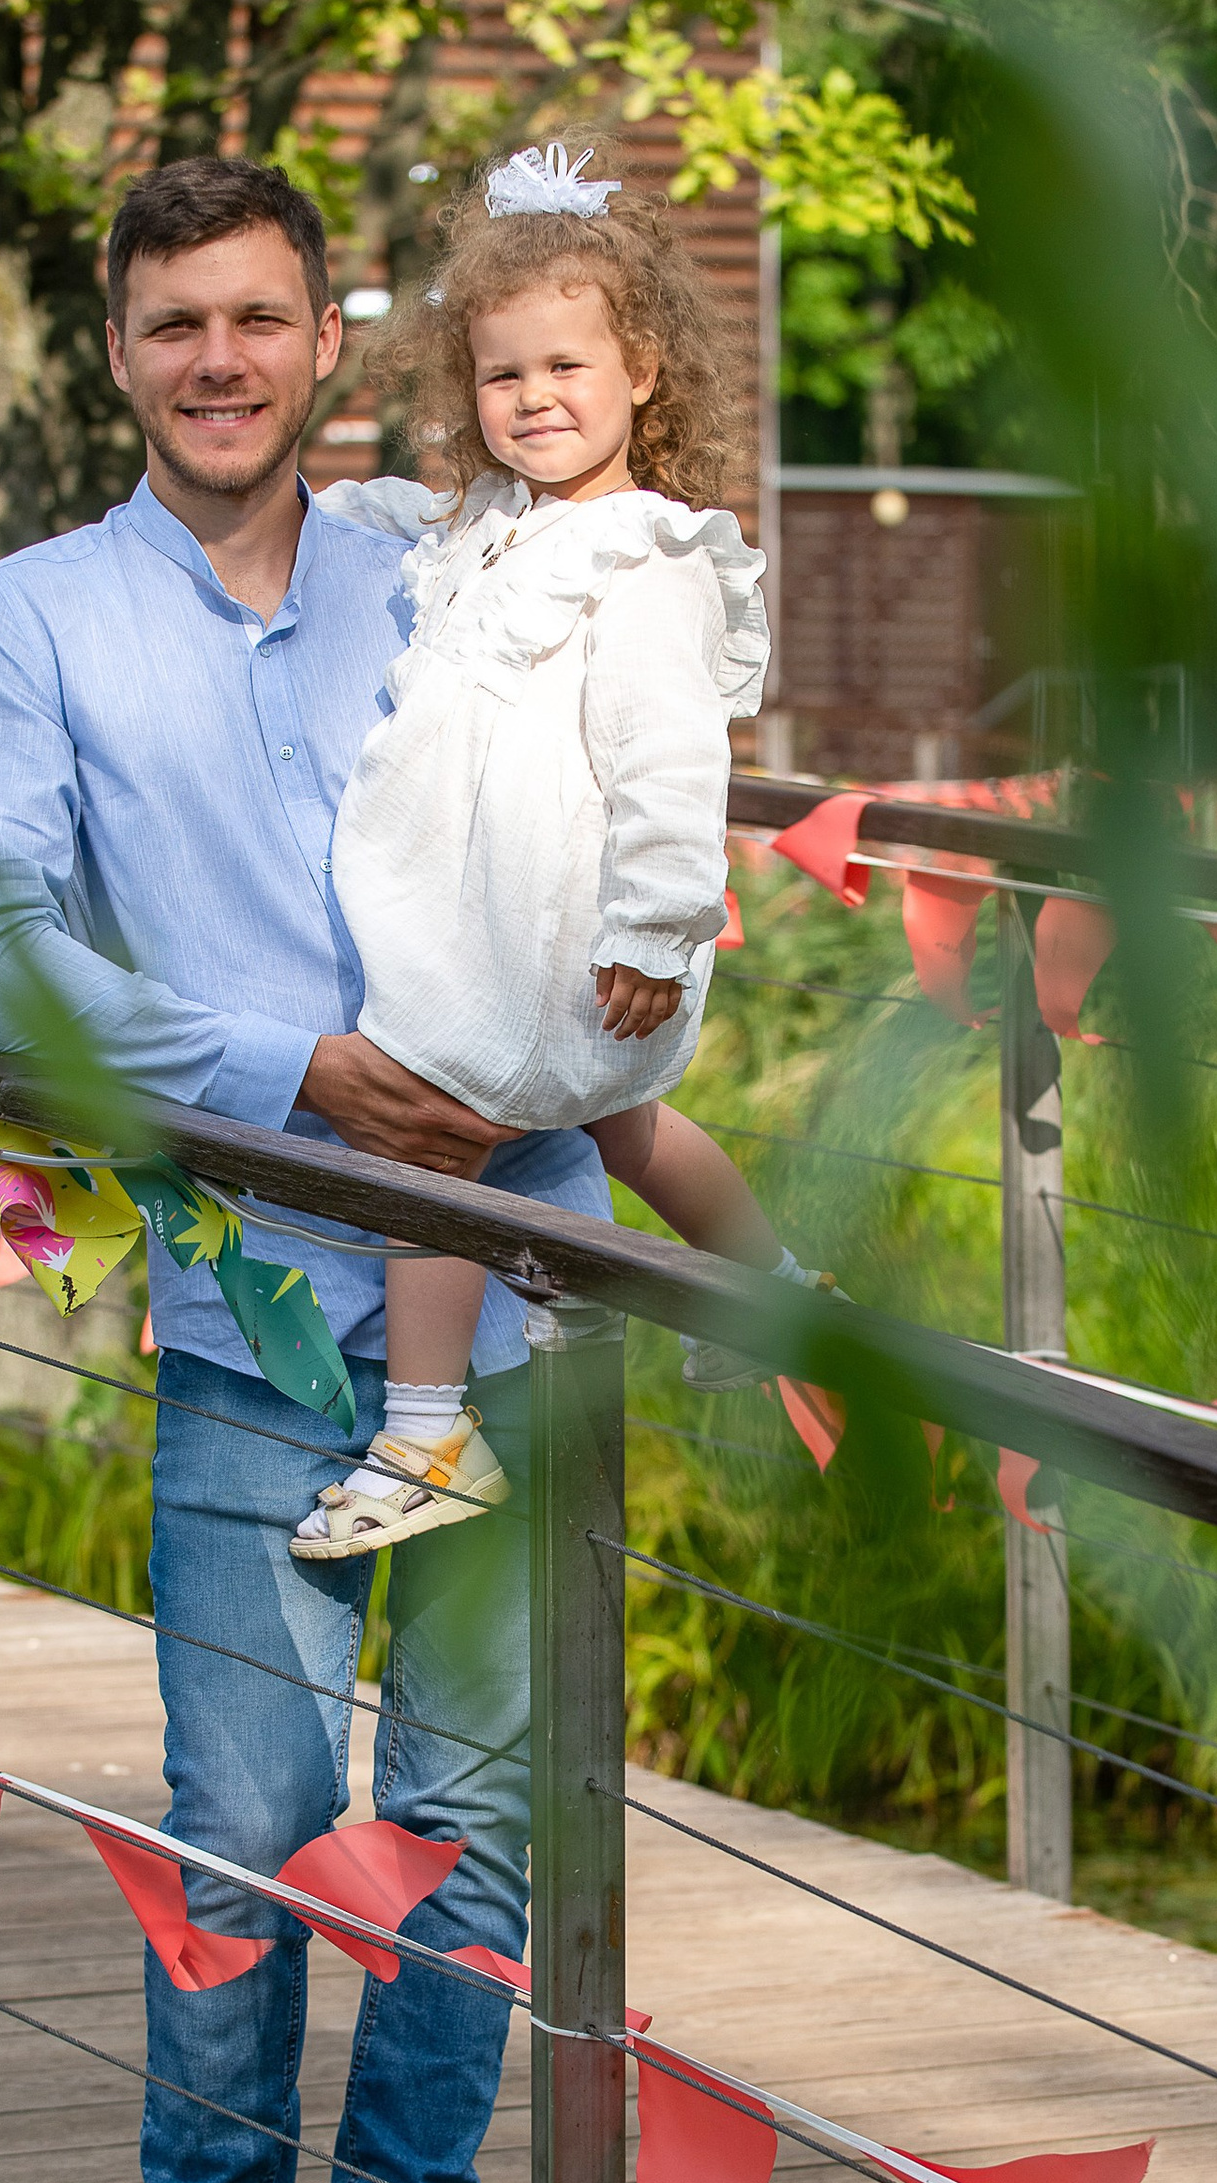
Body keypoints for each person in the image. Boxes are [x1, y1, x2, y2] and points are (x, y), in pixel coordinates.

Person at [0, 153, 617, 2183]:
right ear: (118, 353)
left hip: (516, 1291)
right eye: (171, 325)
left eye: (254, 318)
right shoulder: (28, 624)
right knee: (244, 1825)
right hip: (251, 1319)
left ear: (327, 335)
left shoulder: (457, 564)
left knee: (471, 1833)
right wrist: (291, 1072)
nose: (216, 361)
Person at [289, 140, 830, 1564]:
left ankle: (426, 1433)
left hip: (556, 939)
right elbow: (408, 527)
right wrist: (311, 513)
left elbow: (673, 765)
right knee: (623, 1119)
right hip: (503, 927)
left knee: (428, 1134)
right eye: (502, 374)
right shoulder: (498, 525)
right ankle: (769, 1287)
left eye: (566, 368)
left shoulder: (645, 559)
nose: (533, 398)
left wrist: (659, 926)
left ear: (641, 371)